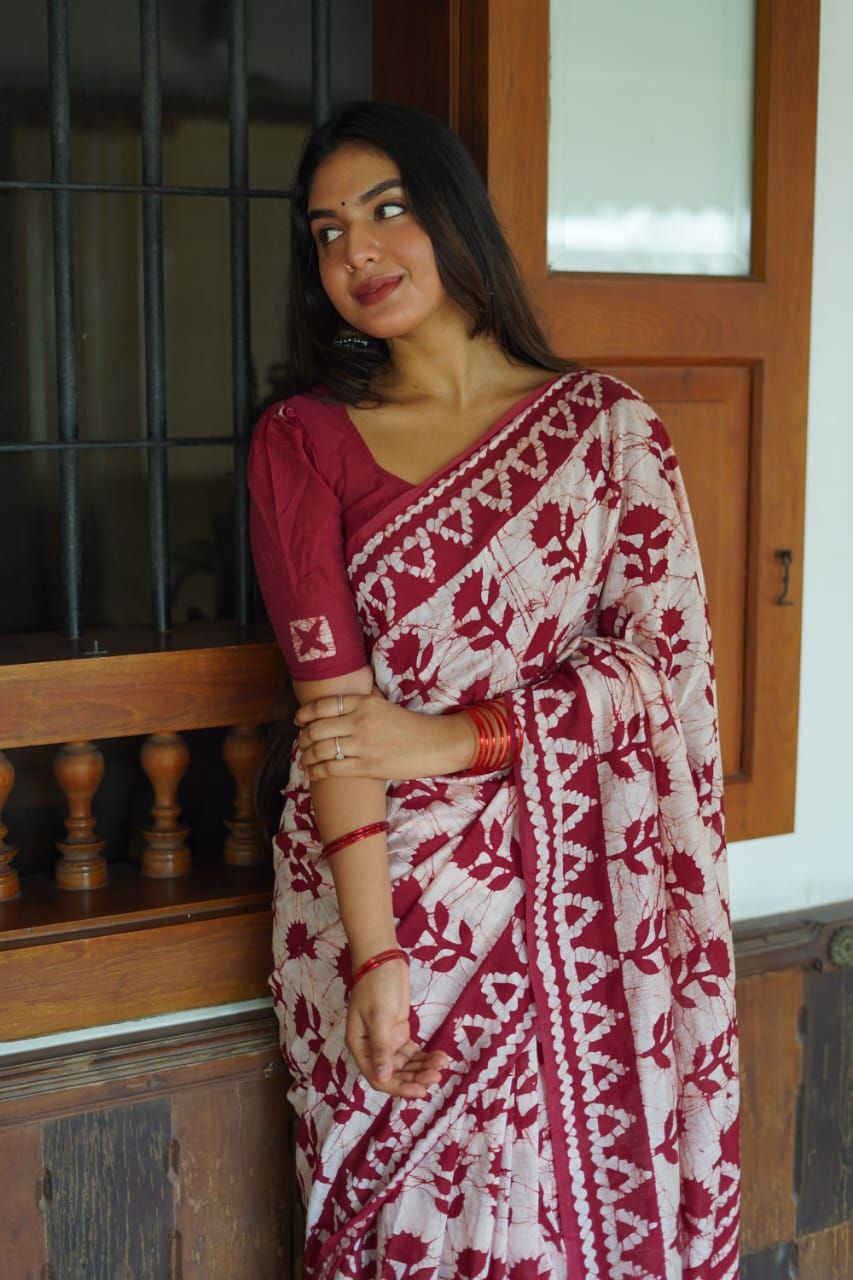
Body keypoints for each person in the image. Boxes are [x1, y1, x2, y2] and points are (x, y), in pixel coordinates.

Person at [247, 100, 740, 1280]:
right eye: (325, 232)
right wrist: (376, 959)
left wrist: (458, 736)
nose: (355, 252)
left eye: (386, 210)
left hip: (585, 903)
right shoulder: (306, 439)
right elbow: (333, 718)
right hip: (388, 895)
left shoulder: (609, 433)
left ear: (453, 215)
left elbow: (655, 680)